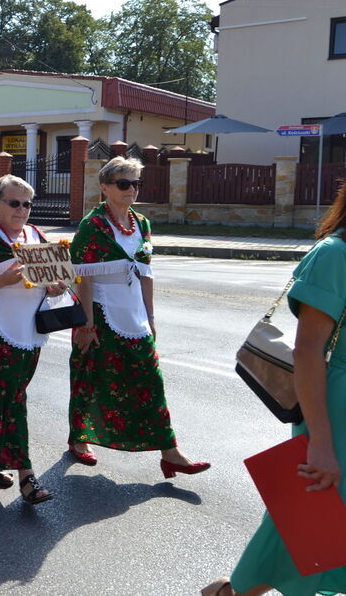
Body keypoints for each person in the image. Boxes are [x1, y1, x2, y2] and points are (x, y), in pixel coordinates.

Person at [201, 184, 346, 596]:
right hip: (336, 410)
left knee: (314, 523)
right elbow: (308, 351)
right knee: (311, 521)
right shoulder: (335, 255)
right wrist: (319, 441)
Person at [68, 156, 209, 476]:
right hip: (101, 314)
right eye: (123, 183)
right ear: (104, 187)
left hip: (135, 316)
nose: (131, 189)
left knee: (150, 381)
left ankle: (169, 451)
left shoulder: (141, 223)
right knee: (91, 377)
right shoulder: (93, 225)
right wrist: (86, 323)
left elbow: (146, 274)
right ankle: (79, 438)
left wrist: (152, 318)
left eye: (136, 183)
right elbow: (83, 277)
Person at [0, 175, 65, 505]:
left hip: (28, 334)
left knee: (9, 400)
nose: (22, 210)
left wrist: (56, 286)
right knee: (3, 403)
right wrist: (2, 280)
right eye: (14, 203)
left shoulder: (37, 237)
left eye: (27, 204)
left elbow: (55, 283)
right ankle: (27, 477)